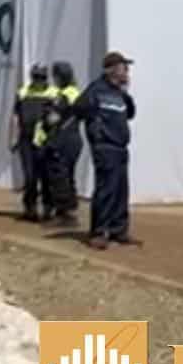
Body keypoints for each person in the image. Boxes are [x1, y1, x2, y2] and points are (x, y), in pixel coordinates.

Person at [74, 52, 138, 248]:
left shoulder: (119, 93)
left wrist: (125, 93)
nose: (127, 71)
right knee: (106, 190)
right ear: (111, 69)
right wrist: (96, 130)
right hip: (104, 147)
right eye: (123, 67)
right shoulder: (96, 90)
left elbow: (130, 114)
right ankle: (99, 232)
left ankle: (119, 230)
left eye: (127, 68)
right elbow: (78, 109)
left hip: (120, 148)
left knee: (120, 190)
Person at [39, 61, 84, 227]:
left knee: (59, 175)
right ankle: (68, 210)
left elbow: (53, 119)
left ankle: (65, 213)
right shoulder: (76, 92)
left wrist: (46, 113)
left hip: (63, 139)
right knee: (68, 175)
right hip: (73, 138)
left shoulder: (64, 95)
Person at [11, 64, 56, 221]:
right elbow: (16, 117)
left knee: (46, 176)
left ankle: (48, 207)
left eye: (42, 77)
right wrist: (13, 137)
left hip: (45, 141)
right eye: (36, 77)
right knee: (30, 176)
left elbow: (58, 118)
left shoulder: (53, 93)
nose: (39, 80)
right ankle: (30, 207)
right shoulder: (22, 93)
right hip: (26, 140)